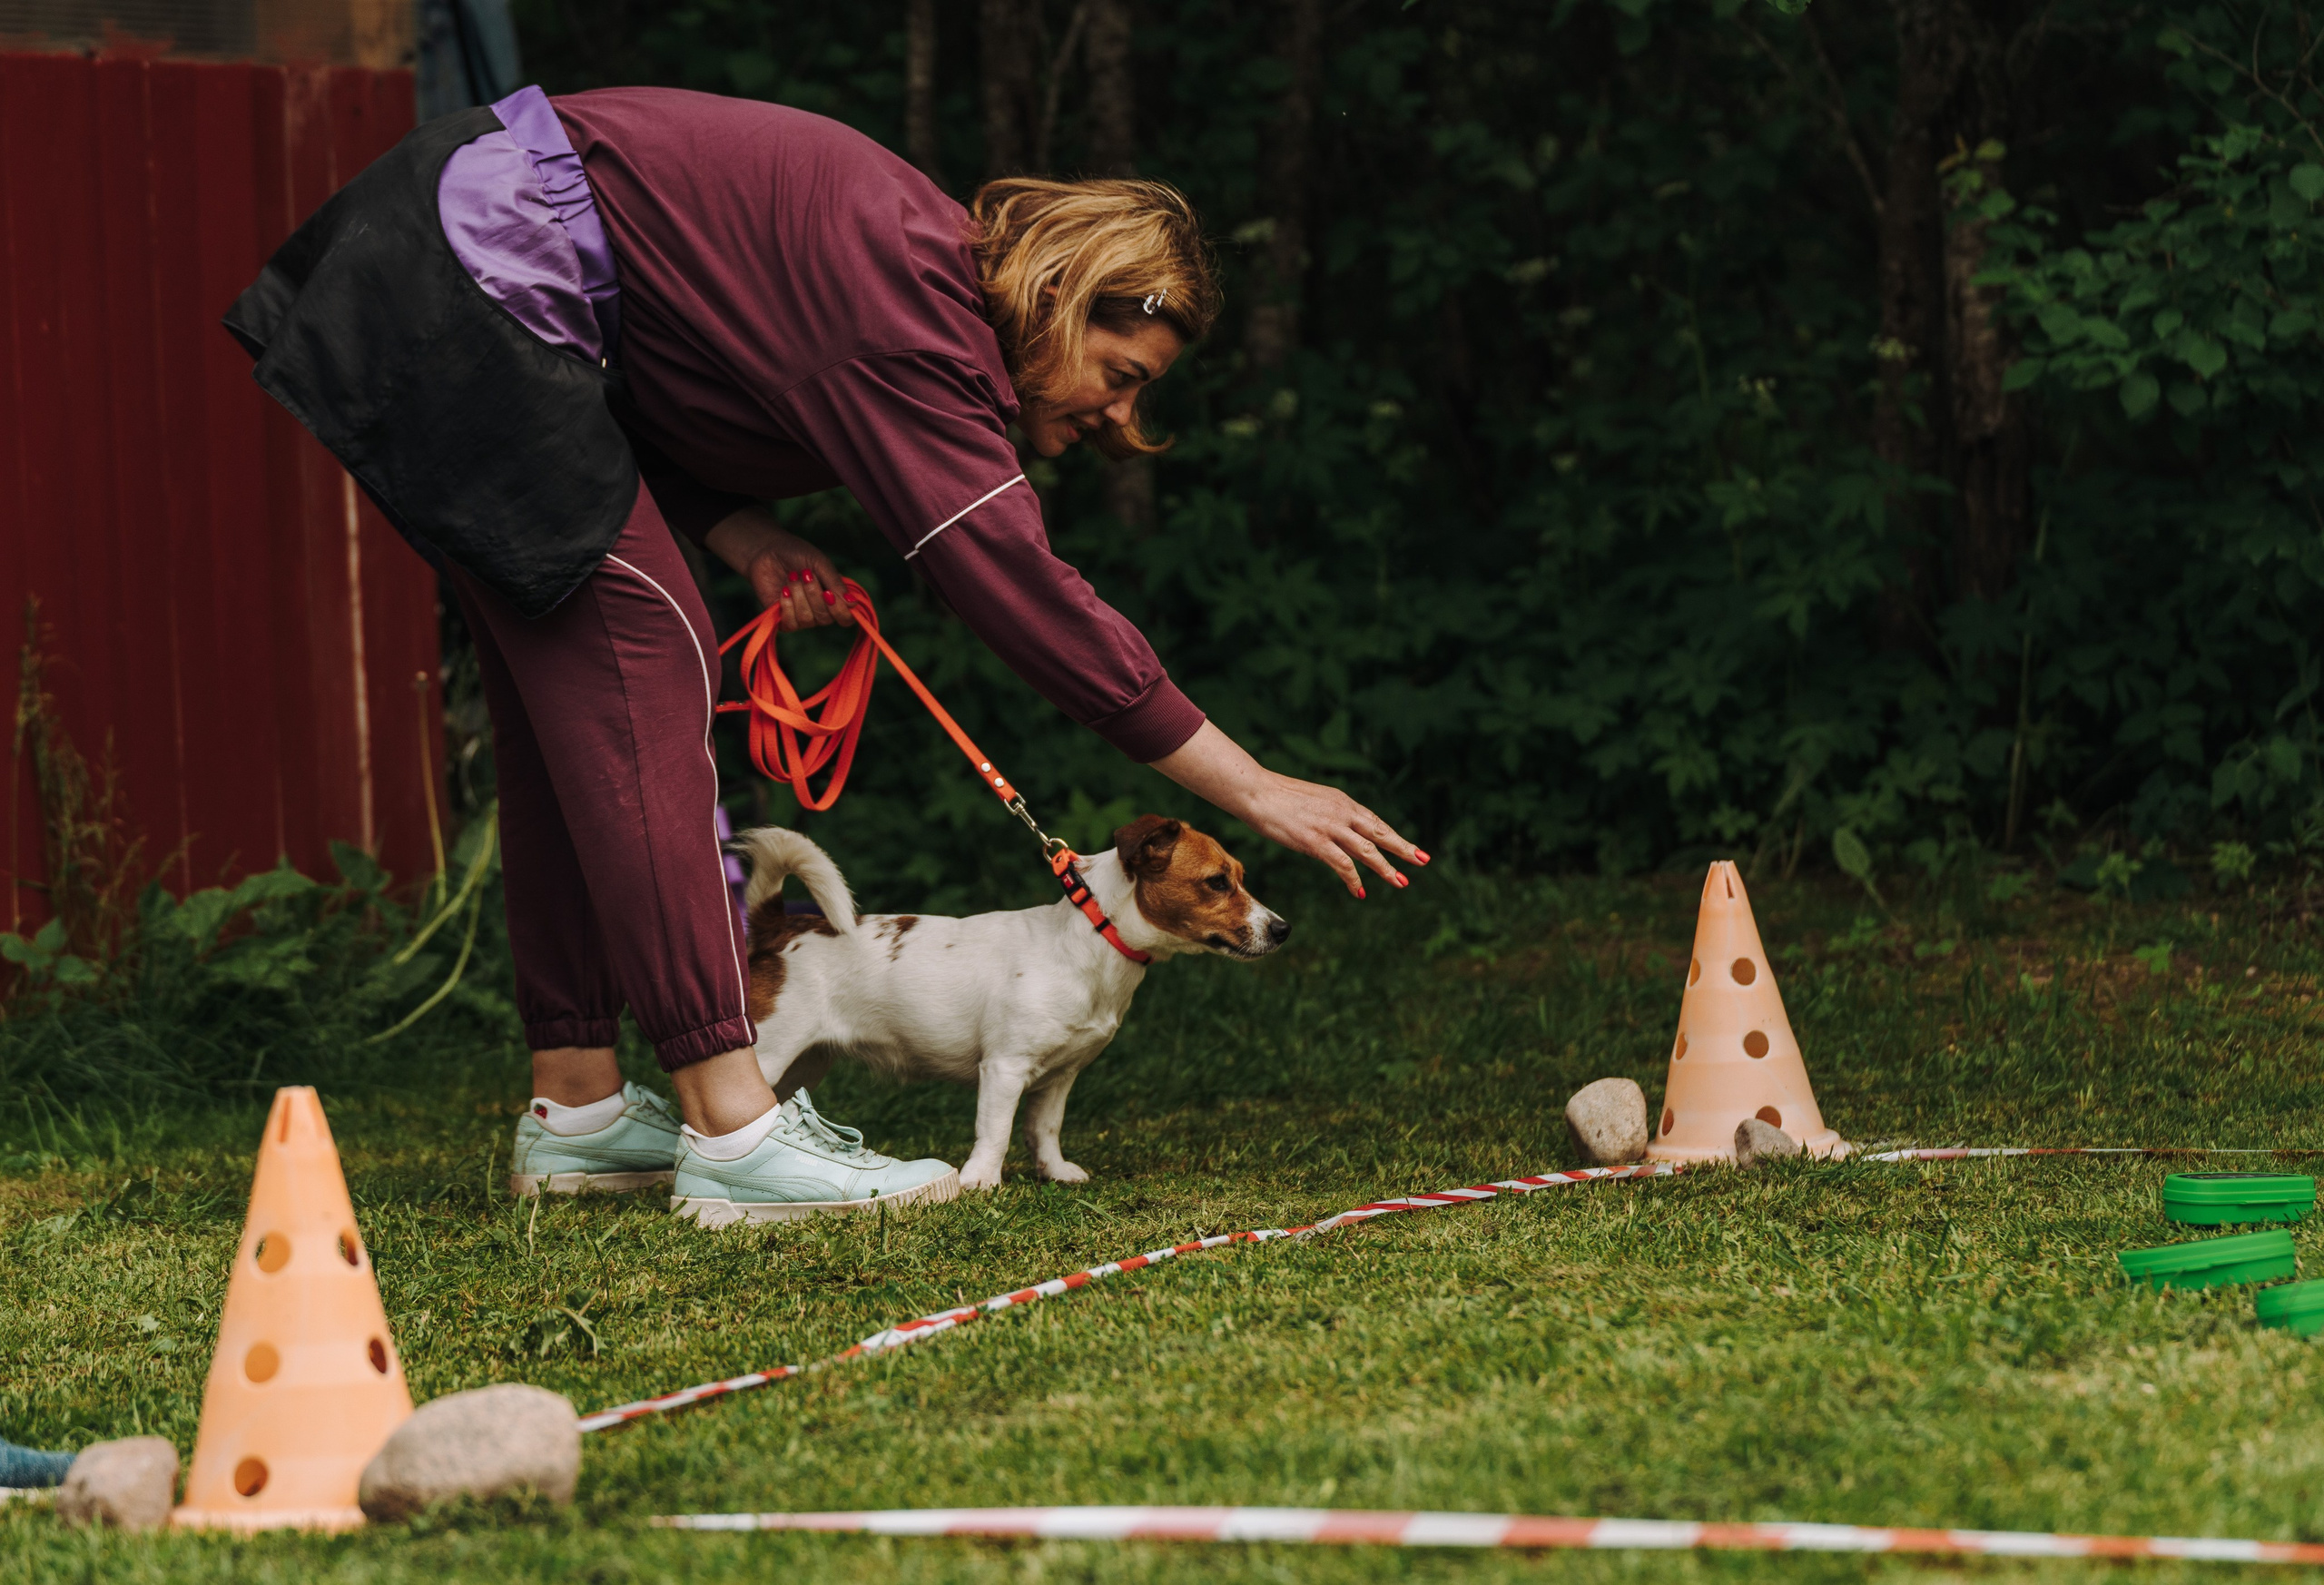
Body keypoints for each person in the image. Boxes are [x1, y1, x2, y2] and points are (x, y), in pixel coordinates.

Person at [226, 84, 1423, 1224]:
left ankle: (580, 1105)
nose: (1119, 419)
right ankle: (735, 1128)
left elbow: (654, 379)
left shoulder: (908, 280)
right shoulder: (912, 309)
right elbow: (1017, 589)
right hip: (474, 269)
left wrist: (746, 535)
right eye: (1120, 377)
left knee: (569, 704)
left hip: (452, 264)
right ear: (1059, 291)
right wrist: (1252, 786)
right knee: (648, 648)